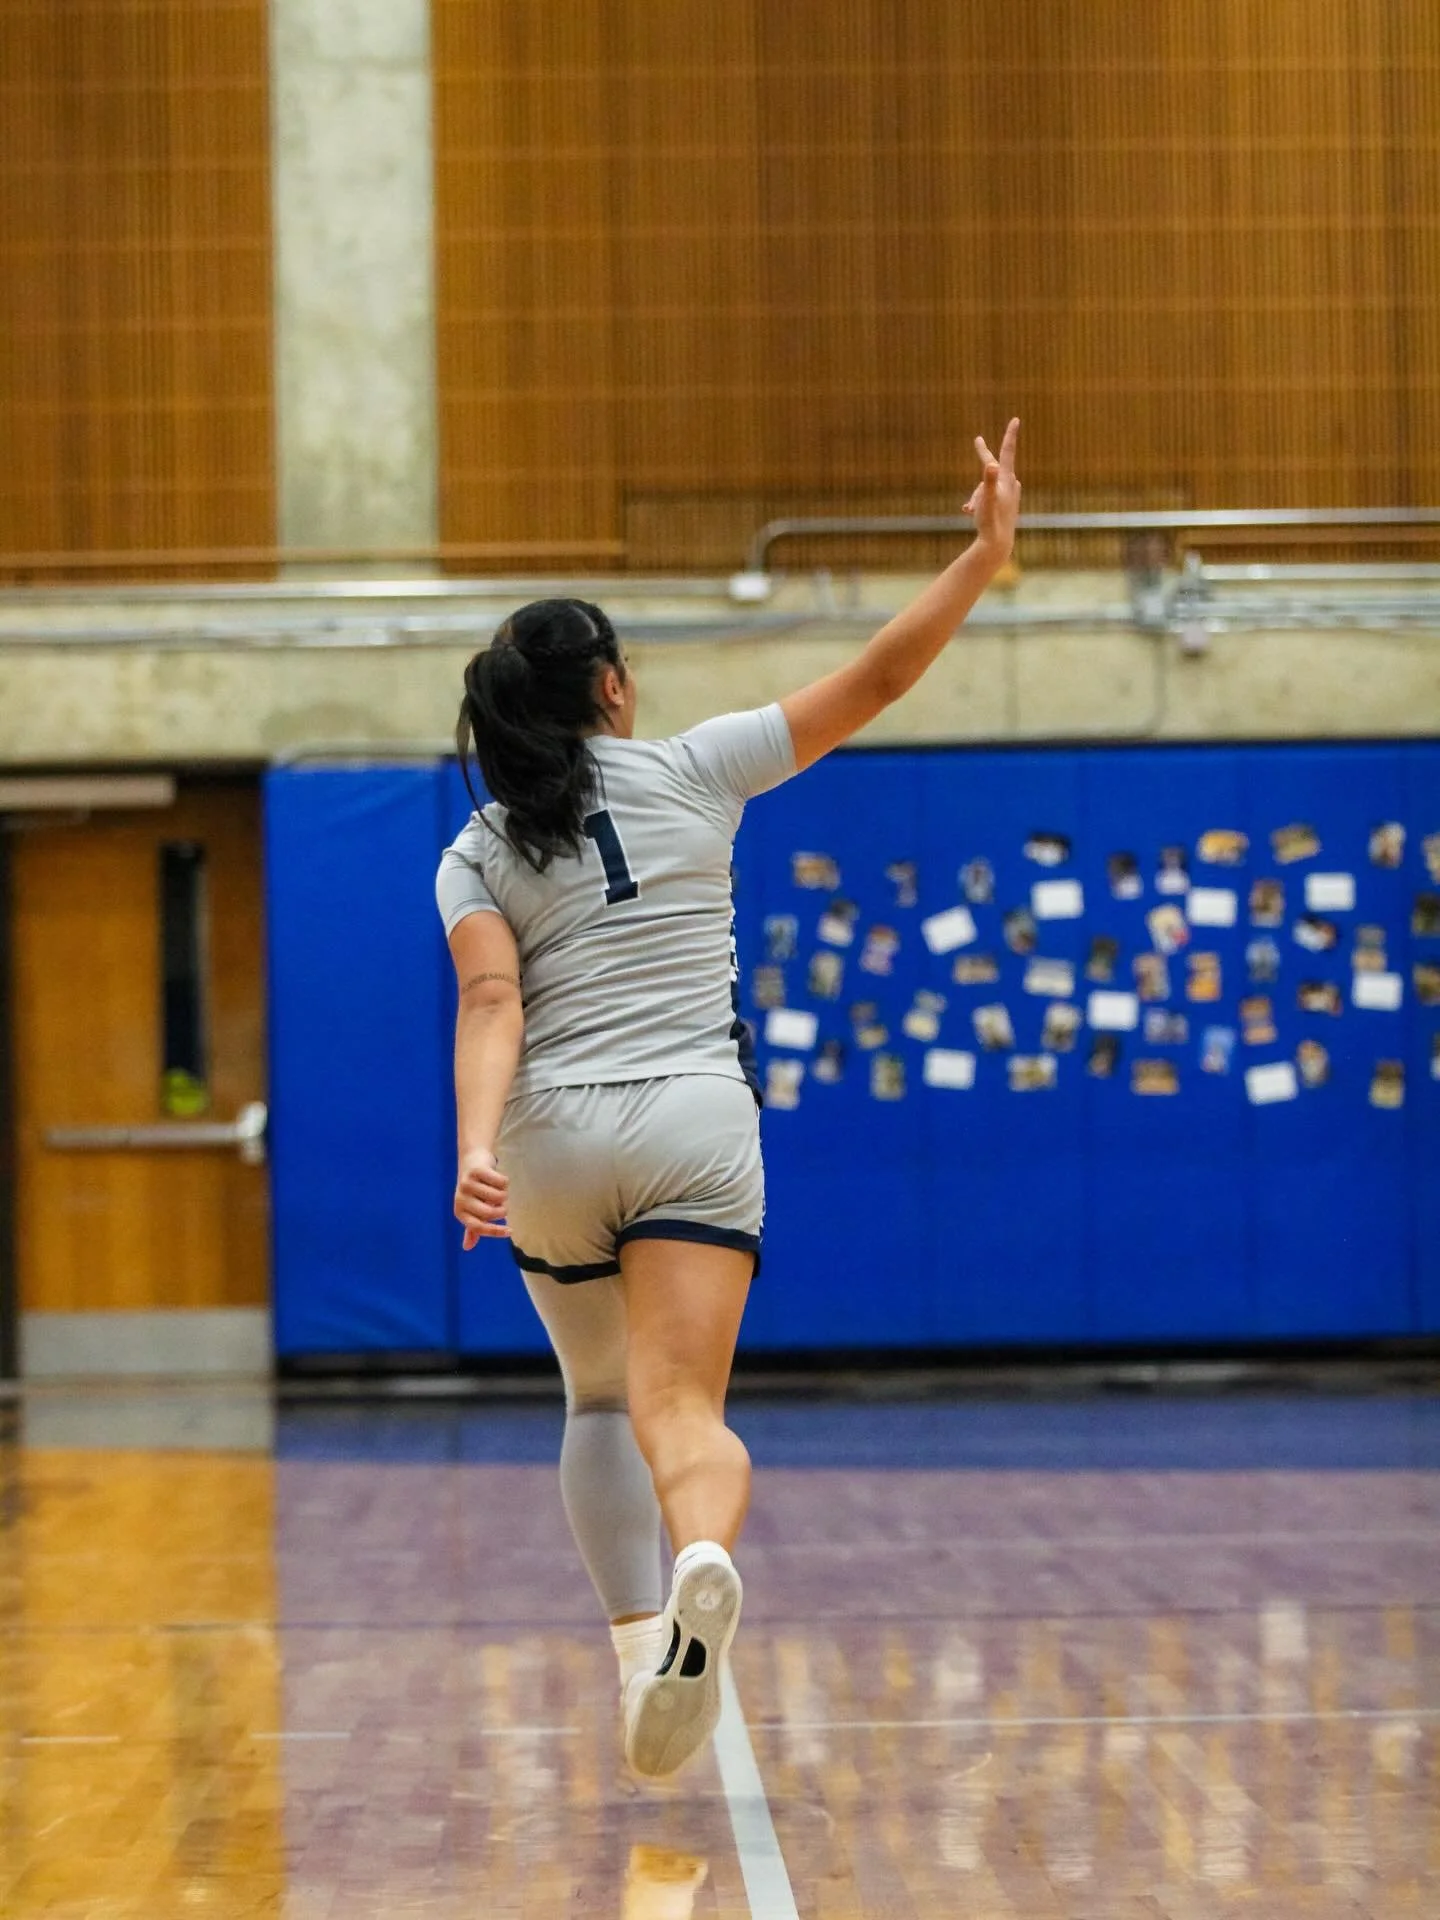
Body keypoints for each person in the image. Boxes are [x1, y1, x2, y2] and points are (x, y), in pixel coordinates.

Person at [436, 420, 1021, 1778]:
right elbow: (878, 676)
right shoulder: (701, 767)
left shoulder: (476, 849)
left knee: (595, 1401)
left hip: (553, 1136)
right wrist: (983, 555)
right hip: (696, 1122)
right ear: (613, 689)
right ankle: (704, 1553)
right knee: (681, 1411)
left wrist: (473, 1147)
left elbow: (490, 1003)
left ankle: (639, 1646)